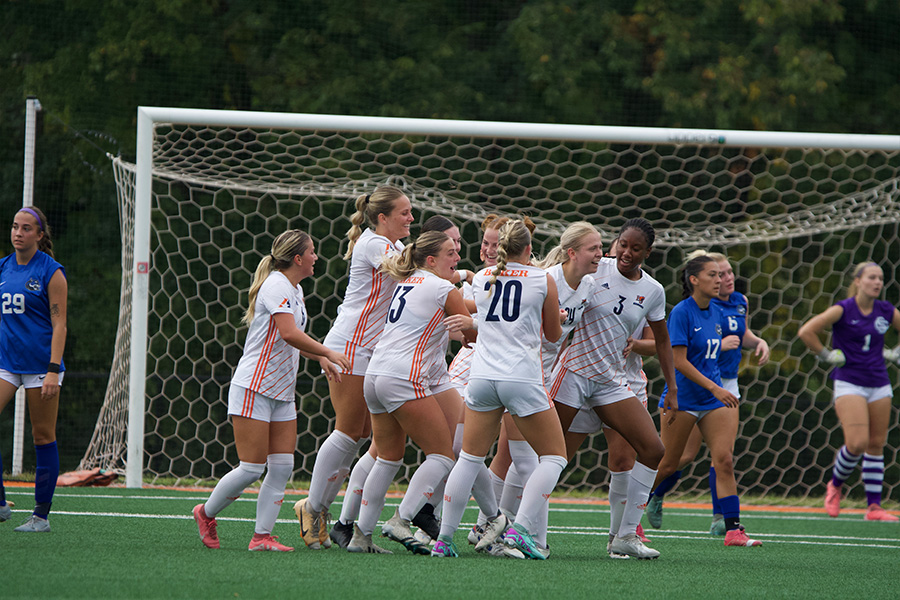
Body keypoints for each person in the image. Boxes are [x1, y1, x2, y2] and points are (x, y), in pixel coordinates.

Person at [191, 230, 350, 551]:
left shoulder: (295, 289)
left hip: (282, 392)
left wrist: (320, 356)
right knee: (251, 468)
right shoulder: (276, 285)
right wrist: (328, 352)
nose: (316, 257)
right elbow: (289, 333)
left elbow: (293, 341)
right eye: (312, 252)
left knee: (282, 466)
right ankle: (205, 513)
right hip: (254, 386)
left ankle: (261, 537)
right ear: (297, 258)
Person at [328, 214, 473, 548]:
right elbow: (472, 326)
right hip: (403, 377)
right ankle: (401, 519)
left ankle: (359, 536)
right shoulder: (441, 287)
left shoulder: (408, 281)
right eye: (451, 252)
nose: (457, 258)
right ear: (432, 259)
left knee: (388, 456)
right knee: (441, 456)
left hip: (376, 375)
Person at [434, 219, 566, 560]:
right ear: (528, 248)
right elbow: (552, 335)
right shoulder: (543, 278)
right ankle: (520, 530)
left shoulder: (481, 277)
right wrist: (557, 317)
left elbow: (481, 320)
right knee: (554, 457)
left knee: (468, 458)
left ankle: (444, 539)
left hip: (481, 377)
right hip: (521, 378)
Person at [549, 218, 676, 559]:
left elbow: (663, 342)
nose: (627, 253)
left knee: (652, 450)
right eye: (623, 244)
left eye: (636, 248)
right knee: (551, 454)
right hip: (573, 374)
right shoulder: (594, 268)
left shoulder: (652, 290)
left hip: (612, 380)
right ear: (614, 242)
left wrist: (673, 391)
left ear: (647, 253)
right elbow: (551, 285)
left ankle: (624, 535)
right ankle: (519, 528)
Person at [295, 185, 413, 550]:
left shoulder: (387, 244)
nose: (411, 218)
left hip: (366, 350)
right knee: (348, 431)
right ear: (382, 218)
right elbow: (411, 269)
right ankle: (312, 509)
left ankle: (321, 509)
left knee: (362, 433)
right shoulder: (376, 244)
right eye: (404, 213)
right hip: (350, 347)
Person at [491, 221, 600, 554]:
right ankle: (528, 536)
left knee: (510, 455)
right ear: (571, 253)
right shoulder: (545, 280)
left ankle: (494, 526)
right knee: (537, 459)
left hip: (542, 374)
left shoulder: (589, 285)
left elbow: (566, 335)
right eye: (593, 248)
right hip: (521, 373)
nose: (600, 254)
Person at [646, 251, 770, 535]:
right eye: (713, 275)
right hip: (685, 397)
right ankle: (640, 504)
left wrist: (753, 344)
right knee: (670, 464)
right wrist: (715, 384)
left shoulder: (722, 308)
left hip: (716, 395)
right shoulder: (680, 312)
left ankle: (731, 529)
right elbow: (678, 360)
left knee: (724, 459)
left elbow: (734, 340)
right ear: (694, 280)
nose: (722, 280)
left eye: (723, 273)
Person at [798, 261, 900, 522]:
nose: (877, 282)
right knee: (857, 443)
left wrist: (895, 352)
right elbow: (806, 331)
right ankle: (834, 486)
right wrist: (826, 355)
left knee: (876, 444)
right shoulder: (843, 309)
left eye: (880, 278)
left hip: (879, 382)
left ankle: (874, 508)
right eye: (872, 277)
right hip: (849, 382)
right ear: (857, 280)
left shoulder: (885, 310)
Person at [0, 207, 67, 532]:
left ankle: (40, 516)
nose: (18, 233)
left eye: (26, 228)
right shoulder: (3, 268)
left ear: (40, 235)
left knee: (43, 436)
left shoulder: (51, 272)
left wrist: (53, 370)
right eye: (15, 227)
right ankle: (1, 504)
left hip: (42, 365)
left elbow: (60, 324)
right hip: (7, 363)